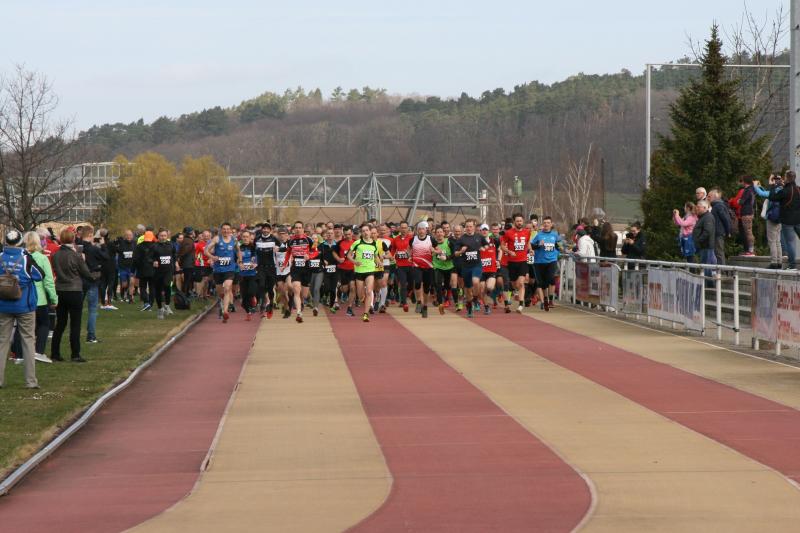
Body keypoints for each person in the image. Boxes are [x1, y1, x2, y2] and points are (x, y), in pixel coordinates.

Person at [0, 230, 44, 388]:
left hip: (3, 305)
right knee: (28, 341)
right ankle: (31, 381)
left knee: (2, 341)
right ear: (20, 242)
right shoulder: (26, 258)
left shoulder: (1, 257)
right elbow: (40, 275)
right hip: (24, 305)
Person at [51, 228, 96, 364]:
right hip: (74, 290)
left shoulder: (56, 255)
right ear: (73, 239)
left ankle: (55, 352)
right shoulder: (75, 255)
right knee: (75, 323)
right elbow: (86, 273)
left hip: (60, 289)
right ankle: (75, 354)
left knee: (60, 323)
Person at [24, 232, 57, 364]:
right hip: (39, 298)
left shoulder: (22, 258)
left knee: (26, 326)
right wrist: (54, 298)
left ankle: (21, 353)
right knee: (44, 324)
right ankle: (39, 351)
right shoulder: (42, 258)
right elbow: (48, 281)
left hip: (25, 297)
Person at [77, 225, 108, 343]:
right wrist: (103, 245)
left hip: (79, 280)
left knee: (77, 309)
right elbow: (106, 257)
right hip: (92, 280)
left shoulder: (78, 247)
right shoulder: (93, 249)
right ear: (90, 235)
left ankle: (75, 334)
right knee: (92, 309)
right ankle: (91, 335)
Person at [206, 223, 240, 323]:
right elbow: (206, 251)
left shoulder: (234, 240)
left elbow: (238, 251)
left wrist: (240, 260)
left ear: (230, 230)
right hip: (218, 269)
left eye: (228, 229)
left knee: (227, 288)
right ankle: (222, 302)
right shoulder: (217, 239)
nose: (226, 231)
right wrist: (212, 257)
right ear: (221, 230)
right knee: (220, 291)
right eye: (224, 229)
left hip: (230, 269)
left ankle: (225, 311)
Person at [284, 221, 316, 323]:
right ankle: (298, 312)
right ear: (294, 229)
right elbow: (288, 253)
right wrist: (285, 264)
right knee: (296, 289)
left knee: (304, 294)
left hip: (306, 269)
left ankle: (302, 302)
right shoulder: (290, 240)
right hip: (296, 268)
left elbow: (316, 251)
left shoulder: (308, 239)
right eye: (296, 227)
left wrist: (309, 256)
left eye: (300, 227)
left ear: (303, 229)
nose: (298, 229)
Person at [500, 213, 531, 314]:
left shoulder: (527, 232)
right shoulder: (508, 233)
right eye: (517, 221)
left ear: (523, 221)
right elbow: (502, 246)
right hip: (512, 262)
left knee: (521, 283)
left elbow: (528, 243)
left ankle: (521, 305)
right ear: (514, 222)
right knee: (514, 284)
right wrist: (509, 251)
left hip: (523, 261)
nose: (519, 223)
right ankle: (515, 292)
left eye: (520, 221)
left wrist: (530, 249)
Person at [348, 223, 379, 322]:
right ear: (361, 233)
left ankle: (366, 314)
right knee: (360, 295)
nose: (365, 232)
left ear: (370, 232)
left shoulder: (374, 244)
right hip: (359, 271)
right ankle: (363, 299)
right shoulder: (357, 243)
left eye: (367, 230)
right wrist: (354, 262)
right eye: (363, 231)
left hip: (370, 270)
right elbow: (348, 255)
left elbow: (375, 256)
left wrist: (379, 262)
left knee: (369, 291)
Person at [769, 170, 800, 269]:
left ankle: (792, 266)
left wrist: (772, 186)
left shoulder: (785, 191)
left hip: (787, 221)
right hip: (798, 220)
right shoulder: (798, 189)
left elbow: (772, 197)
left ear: (787, 178)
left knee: (790, 243)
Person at [454, 219, 484, 318]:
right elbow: (455, 253)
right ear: (465, 228)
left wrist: (484, 248)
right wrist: (461, 252)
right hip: (466, 267)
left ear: (474, 227)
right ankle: (470, 307)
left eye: (471, 226)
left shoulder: (479, 237)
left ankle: (475, 299)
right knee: (467, 289)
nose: (469, 228)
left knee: (475, 282)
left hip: (477, 265)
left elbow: (486, 245)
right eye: (467, 227)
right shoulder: (461, 239)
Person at [530, 217, 562, 311]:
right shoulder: (539, 235)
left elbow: (559, 245)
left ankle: (551, 299)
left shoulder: (555, 235)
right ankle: (545, 299)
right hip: (539, 261)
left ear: (551, 224)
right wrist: (539, 245)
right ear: (542, 224)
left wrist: (560, 250)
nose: (546, 224)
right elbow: (531, 246)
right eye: (544, 223)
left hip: (552, 260)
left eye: (548, 223)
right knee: (542, 283)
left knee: (551, 278)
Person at [755, 175, 783, 269]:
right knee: (778, 241)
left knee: (772, 241)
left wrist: (755, 186)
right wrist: (761, 187)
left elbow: (761, 194)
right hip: (780, 219)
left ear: (774, 181)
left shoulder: (774, 192)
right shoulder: (782, 190)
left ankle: (774, 262)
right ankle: (779, 261)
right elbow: (766, 192)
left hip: (772, 218)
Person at [410, 221, 435, 318]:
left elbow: (438, 250)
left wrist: (434, 251)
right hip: (416, 265)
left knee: (426, 287)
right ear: (417, 230)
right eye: (419, 229)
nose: (421, 231)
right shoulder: (413, 239)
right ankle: (419, 302)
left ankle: (425, 306)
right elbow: (409, 248)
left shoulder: (431, 239)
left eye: (423, 229)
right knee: (417, 282)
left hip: (428, 266)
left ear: (426, 230)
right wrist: (409, 255)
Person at [254, 223, 279, 317]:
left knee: (270, 288)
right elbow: (253, 250)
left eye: (267, 229)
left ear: (270, 230)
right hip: (260, 266)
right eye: (264, 229)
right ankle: (263, 304)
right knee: (261, 285)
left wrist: (278, 248)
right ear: (262, 230)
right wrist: (253, 260)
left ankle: (271, 303)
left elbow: (282, 248)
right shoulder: (257, 238)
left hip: (271, 267)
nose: (265, 230)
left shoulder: (274, 238)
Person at [152, 229, 176, 319]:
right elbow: (149, 257)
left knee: (167, 286)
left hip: (168, 270)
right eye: (161, 236)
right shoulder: (154, 246)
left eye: (164, 235)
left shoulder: (171, 245)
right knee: (158, 290)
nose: (163, 237)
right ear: (158, 236)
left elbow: (174, 255)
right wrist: (153, 261)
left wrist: (176, 263)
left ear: (167, 236)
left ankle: (167, 305)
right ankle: (160, 309)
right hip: (157, 272)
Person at [692, 200, 717, 283]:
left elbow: (707, 231)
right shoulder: (703, 217)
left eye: (699, 207)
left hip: (706, 246)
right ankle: (708, 283)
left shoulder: (708, 217)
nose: (697, 209)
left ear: (705, 208)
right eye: (697, 207)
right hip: (703, 246)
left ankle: (709, 284)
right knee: (705, 265)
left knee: (706, 266)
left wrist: (699, 239)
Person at [391, 221, 413, 312]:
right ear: (399, 229)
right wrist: (392, 256)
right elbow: (393, 250)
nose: (403, 229)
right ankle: (403, 302)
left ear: (408, 228)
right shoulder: (395, 239)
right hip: (400, 265)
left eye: (405, 228)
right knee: (403, 284)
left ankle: (412, 294)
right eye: (402, 228)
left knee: (411, 283)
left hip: (411, 265)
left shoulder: (412, 238)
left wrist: (411, 254)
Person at [432, 225, 454, 315]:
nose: (439, 234)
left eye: (441, 232)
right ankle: (440, 304)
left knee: (447, 285)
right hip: (437, 267)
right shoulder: (432, 244)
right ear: (435, 234)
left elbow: (454, 254)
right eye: (437, 232)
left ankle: (447, 298)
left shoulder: (449, 242)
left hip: (449, 267)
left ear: (444, 233)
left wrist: (447, 258)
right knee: (438, 284)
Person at [238, 230, 259, 320]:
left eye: (247, 237)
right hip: (242, 275)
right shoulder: (239, 248)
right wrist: (239, 263)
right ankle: (248, 313)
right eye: (244, 237)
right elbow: (235, 258)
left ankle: (253, 298)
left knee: (251, 292)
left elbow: (258, 257)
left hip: (252, 274)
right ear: (241, 238)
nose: (245, 238)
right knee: (244, 296)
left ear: (250, 238)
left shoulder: (254, 247)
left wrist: (255, 263)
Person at [134, 230, 157, 311]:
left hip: (142, 270)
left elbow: (135, 259)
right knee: (152, 287)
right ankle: (151, 303)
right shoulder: (155, 246)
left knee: (142, 287)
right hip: (153, 270)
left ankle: (146, 302)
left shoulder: (139, 246)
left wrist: (136, 268)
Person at [707, 188, 731, 265]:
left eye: (709, 196)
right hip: (715, 232)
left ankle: (722, 269)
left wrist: (728, 231)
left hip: (718, 232)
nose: (707, 198)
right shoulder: (715, 206)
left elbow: (725, 219)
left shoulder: (719, 206)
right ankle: (719, 269)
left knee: (719, 252)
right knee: (716, 252)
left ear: (715, 197)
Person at [737, 176, 757, 256]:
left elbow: (741, 201)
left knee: (748, 231)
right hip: (750, 212)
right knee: (748, 231)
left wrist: (739, 201)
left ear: (745, 182)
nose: (741, 183)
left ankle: (751, 250)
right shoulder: (752, 189)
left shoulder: (748, 190)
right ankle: (749, 250)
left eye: (742, 181)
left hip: (746, 213)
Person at [116, 230, 137, 303]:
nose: (129, 236)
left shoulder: (135, 243)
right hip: (123, 267)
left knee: (131, 282)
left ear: (132, 236)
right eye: (127, 235)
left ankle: (130, 298)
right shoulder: (121, 243)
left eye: (130, 235)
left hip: (132, 267)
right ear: (125, 236)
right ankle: (123, 295)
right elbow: (116, 250)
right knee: (124, 284)